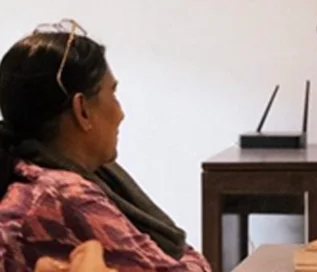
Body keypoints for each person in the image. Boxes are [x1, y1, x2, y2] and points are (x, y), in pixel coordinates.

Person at [0, 19, 211, 272]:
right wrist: (192, 257)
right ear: (82, 110)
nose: (121, 113)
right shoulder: (63, 194)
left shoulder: (30, 172)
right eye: (112, 93)